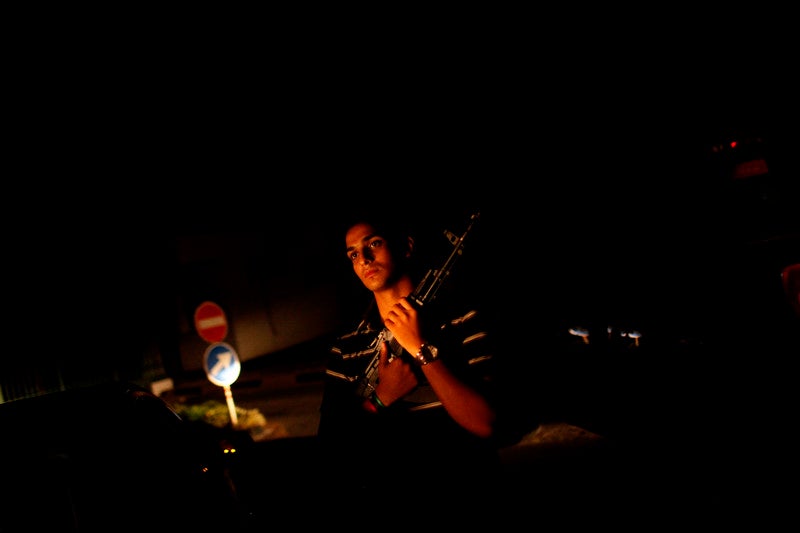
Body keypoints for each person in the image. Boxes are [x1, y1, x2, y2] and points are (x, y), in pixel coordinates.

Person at [316, 209, 503, 517]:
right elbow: (331, 449)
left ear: (406, 246)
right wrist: (380, 398)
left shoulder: (461, 321)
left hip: (471, 500)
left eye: (373, 244)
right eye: (352, 255)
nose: (362, 258)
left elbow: (487, 424)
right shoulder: (347, 347)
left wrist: (421, 350)